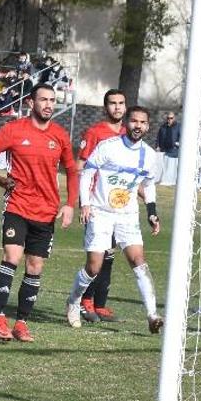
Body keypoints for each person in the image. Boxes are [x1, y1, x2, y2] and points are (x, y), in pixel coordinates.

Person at [0, 82, 80, 343]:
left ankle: (21, 323)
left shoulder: (60, 135)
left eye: (52, 100)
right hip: (17, 205)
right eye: (43, 100)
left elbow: (72, 170)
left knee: (35, 266)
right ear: (31, 103)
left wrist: (70, 204)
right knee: (12, 256)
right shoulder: (14, 130)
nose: (48, 105)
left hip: (46, 211)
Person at [66, 106, 164, 334]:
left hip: (127, 215)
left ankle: (152, 315)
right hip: (100, 212)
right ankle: (73, 301)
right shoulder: (108, 147)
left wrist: (151, 212)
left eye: (142, 122)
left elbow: (148, 186)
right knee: (94, 267)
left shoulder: (149, 155)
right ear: (126, 123)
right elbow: (88, 173)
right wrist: (86, 203)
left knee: (138, 260)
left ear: (148, 126)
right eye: (134, 121)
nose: (138, 126)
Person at [76, 89, 127, 323]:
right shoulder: (95, 132)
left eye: (121, 103)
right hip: (96, 204)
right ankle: (84, 302)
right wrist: (83, 202)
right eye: (112, 103)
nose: (117, 107)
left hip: (118, 205)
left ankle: (100, 304)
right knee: (97, 254)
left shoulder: (129, 134)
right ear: (105, 107)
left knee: (110, 254)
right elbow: (81, 166)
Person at [156, 111, 180, 187]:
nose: (169, 120)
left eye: (171, 118)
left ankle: (171, 181)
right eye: (168, 118)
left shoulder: (178, 126)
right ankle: (162, 180)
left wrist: (177, 144)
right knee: (163, 166)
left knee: (171, 167)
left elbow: (181, 136)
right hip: (164, 149)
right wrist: (157, 146)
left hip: (174, 150)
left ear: (174, 118)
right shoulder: (163, 127)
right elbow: (158, 137)